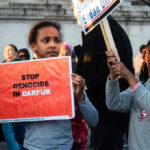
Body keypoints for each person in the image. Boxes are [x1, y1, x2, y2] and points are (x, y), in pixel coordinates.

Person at [23, 20, 99, 150]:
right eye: (46, 41)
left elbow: (94, 120)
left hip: (65, 146)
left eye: (56, 40)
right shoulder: (23, 80)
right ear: (33, 45)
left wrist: (81, 96)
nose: (53, 45)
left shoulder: (70, 78)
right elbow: (12, 122)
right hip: (32, 147)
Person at [74, 15, 134, 150]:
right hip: (111, 112)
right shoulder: (103, 28)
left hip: (106, 113)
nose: (74, 10)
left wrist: (84, 83)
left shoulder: (101, 29)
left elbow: (99, 71)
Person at [105, 40, 150, 150]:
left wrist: (129, 76)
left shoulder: (137, 86)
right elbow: (113, 104)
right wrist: (113, 76)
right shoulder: (141, 85)